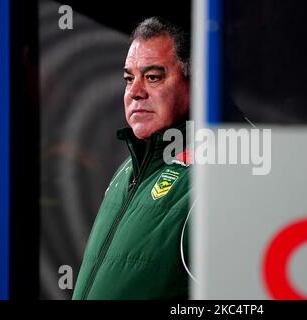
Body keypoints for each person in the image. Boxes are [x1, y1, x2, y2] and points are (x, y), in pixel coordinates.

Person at [72, 17, 193, 299]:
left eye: (152, 77)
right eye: (129, 78)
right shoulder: (127, 168)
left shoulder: (214, 177)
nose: (135, 92)